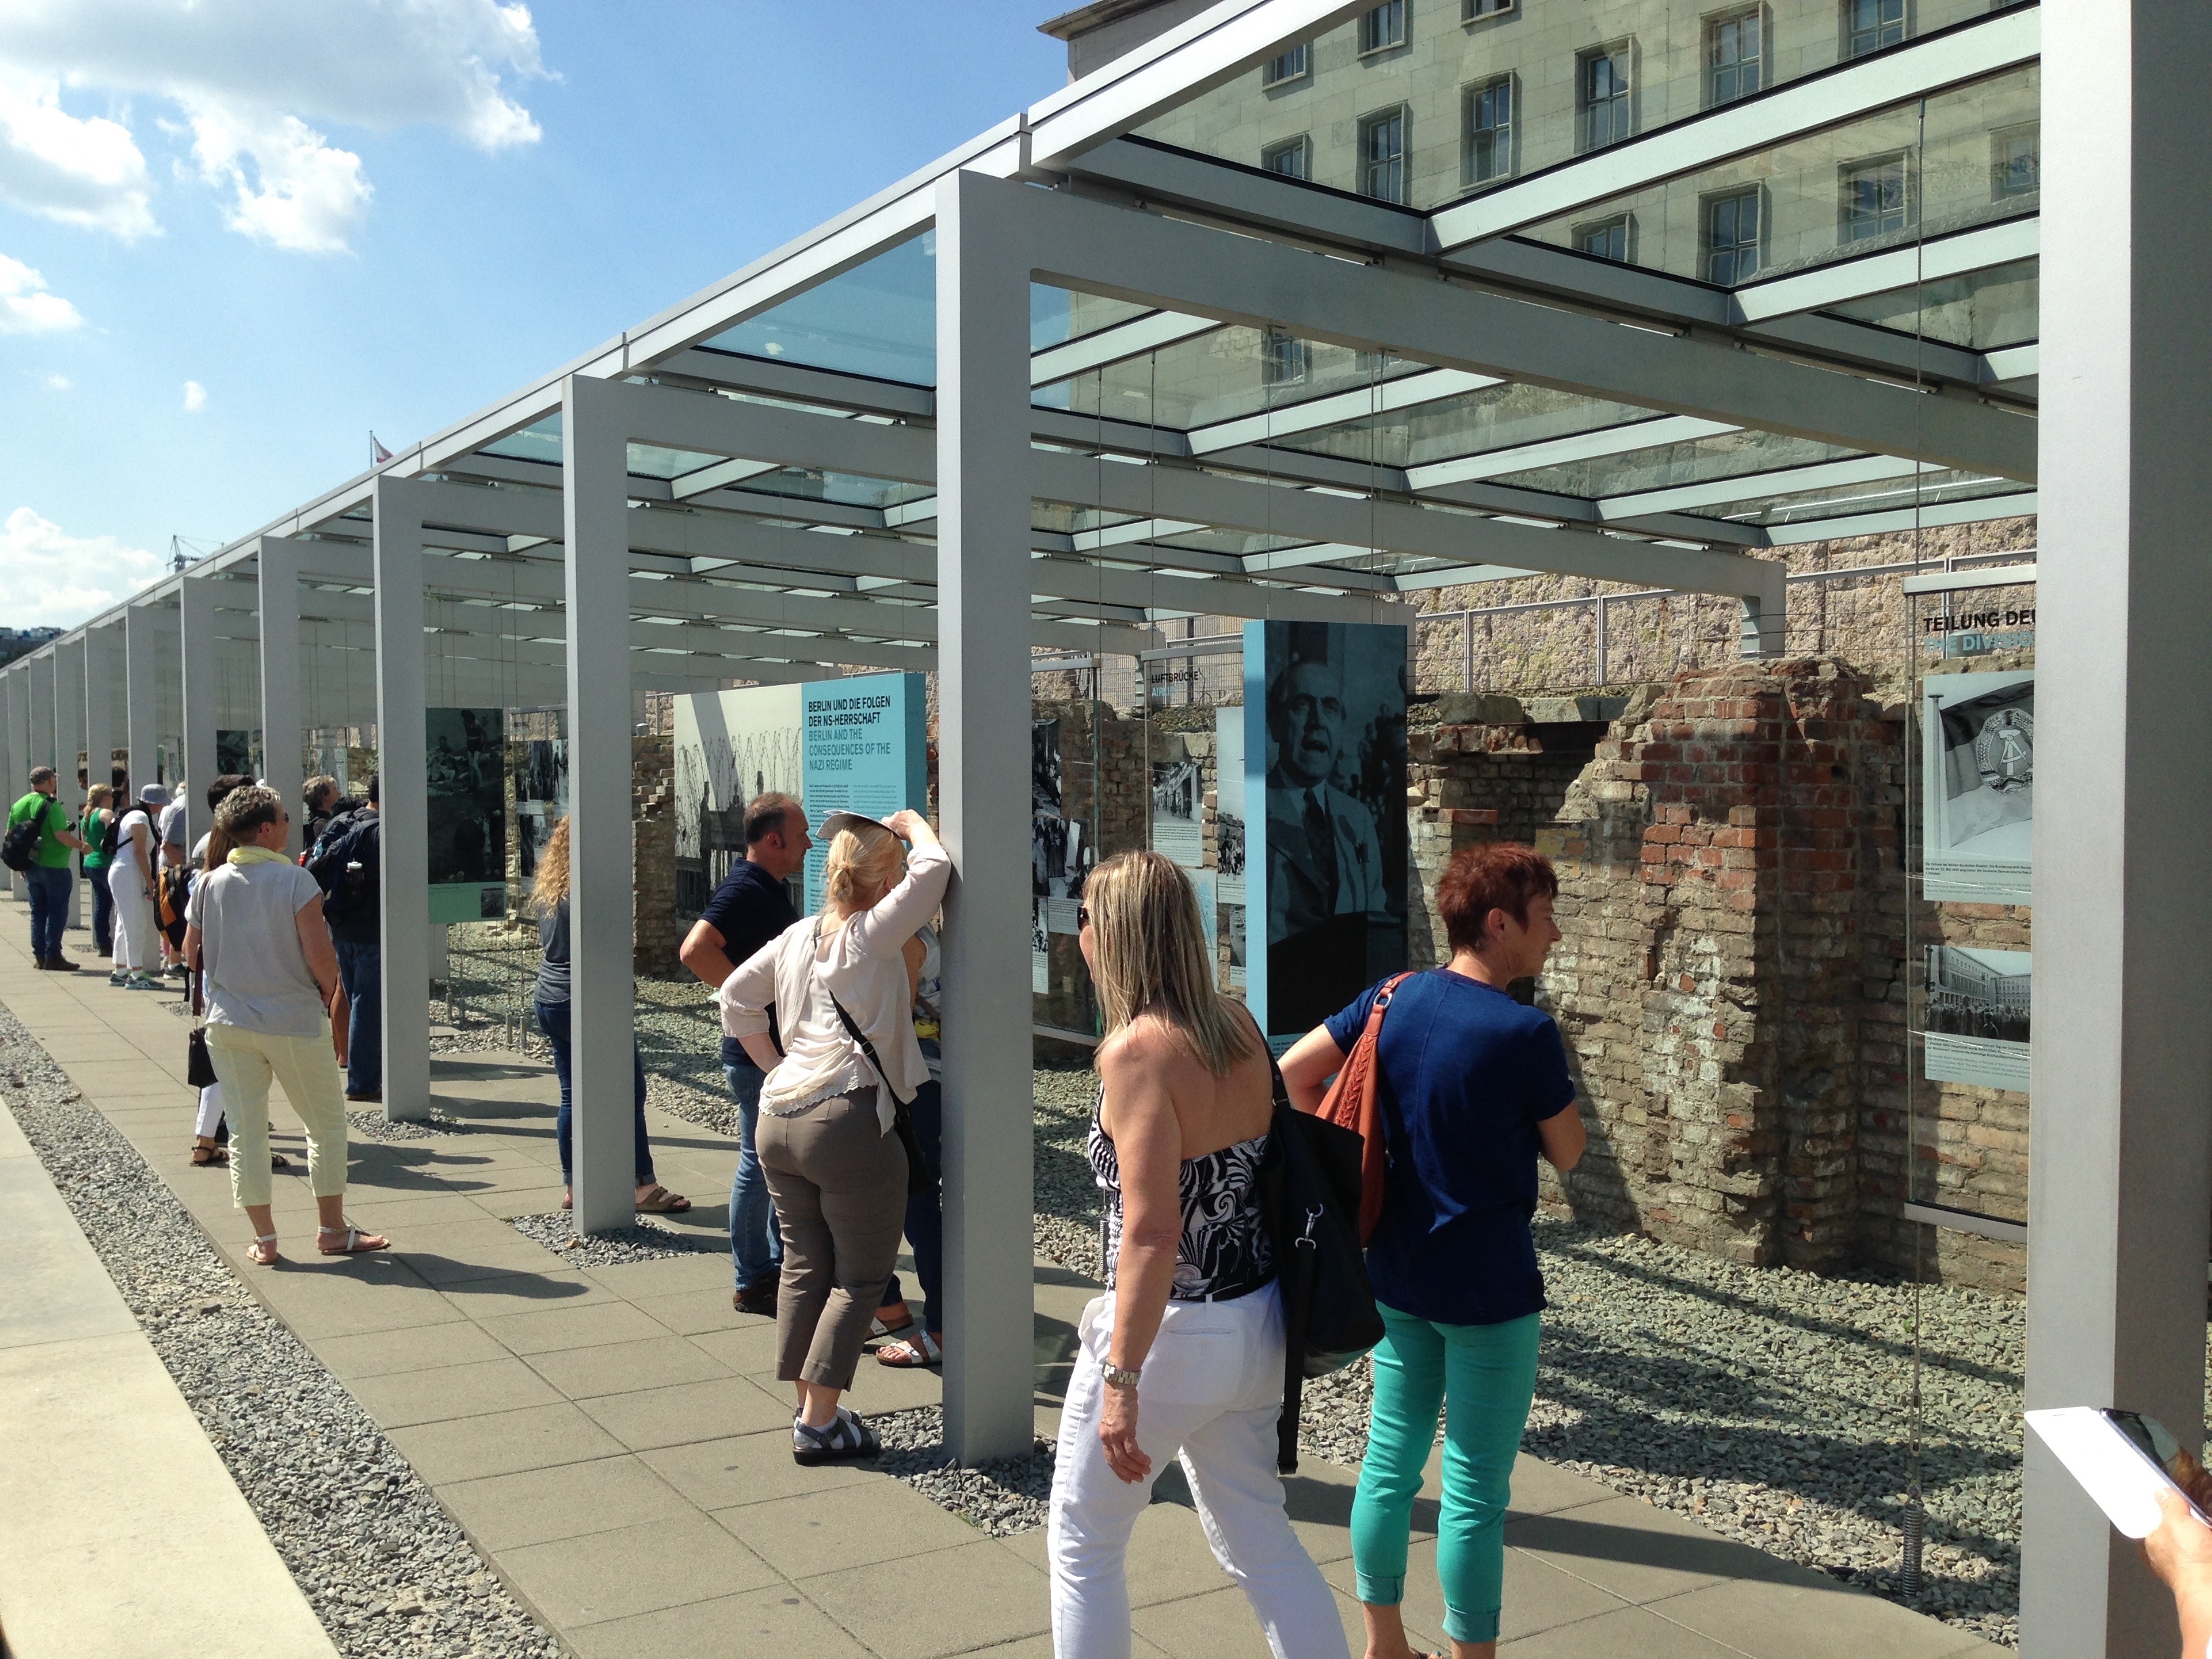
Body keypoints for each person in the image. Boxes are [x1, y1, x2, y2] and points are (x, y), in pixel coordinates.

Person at [1278, 842, 1588, 1659]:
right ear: (1499, 923)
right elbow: (1569, 1153)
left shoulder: (1393, 996)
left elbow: (1294, 1075)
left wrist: (1349, 1173)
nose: (1553, 935)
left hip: (1395, 1275)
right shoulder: (1525, 1034)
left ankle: (1384, 1643)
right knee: (1477, 1491)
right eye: (1545, 918)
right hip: (1490, 1290)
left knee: (1389, 1465)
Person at [1048, 850, 1346, 1659]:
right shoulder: (1238, 1023)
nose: (1077, 933)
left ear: (1115, 934)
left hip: (1172, 1333)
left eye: (1085, 918)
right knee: (1260, 1539)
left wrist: (1120, 1378)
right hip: (1257, 1322)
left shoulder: (1136, 1054)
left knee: (1084, 1543)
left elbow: (1151, 1232)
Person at [716, 808, 947, 1465]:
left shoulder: (798, 936)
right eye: (894, 871)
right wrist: (915, 828)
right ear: (881, 879)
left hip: (778, 1120)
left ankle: (808, 1406)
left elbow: (734, 997)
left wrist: (778, 1068)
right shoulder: (870, 935)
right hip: (847, 1120)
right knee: (861, 1277)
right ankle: (819, 1424)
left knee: (802, 1265)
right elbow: (935, 871)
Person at [182, 786, 386, 1266]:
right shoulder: (295, 882)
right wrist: (326, 988)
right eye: (284, 816)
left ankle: (266, 1240)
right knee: (325, 1125)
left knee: (248, 1130)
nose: (290, 821)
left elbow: (191, 954)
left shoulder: (209, 883)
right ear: (266, 829)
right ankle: (332, 1229)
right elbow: (321, 957)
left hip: (229, 1022)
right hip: (291, 1020)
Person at [680, 792, 811, 1314]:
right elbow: (695, 949)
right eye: (800, 836)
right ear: (774, 839)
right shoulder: (745, 887)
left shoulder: (766, 886)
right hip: (756, 1057)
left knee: (777, 1165)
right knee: (758, 1166)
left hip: (767, 1050)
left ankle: (776, 1269)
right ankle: (753, 1278)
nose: (806, 845)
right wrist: (745, 1000)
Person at [530, 816, 689, 1214]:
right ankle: (642, 1185)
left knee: (571, 1095)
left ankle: (573, 1185)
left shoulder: (552, 888)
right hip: (586, 1000)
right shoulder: (589, 889)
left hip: (550, 995)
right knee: (629, 1092)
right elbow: (603, 949)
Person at [874, 922, 943, 1369]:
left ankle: (940, 1326)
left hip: (914, 1085)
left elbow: (896, 1022)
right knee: (896, 1201)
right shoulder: (908, 929)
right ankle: (885, 1305)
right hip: (913, 1082)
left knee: (914, 1204)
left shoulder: (904, 937)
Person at [186, 776, 254, 1168]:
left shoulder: (206, 877)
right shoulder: (237, 880)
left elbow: (189, 950)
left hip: (218, 977)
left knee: (226, 1062)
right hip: (244, 982)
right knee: (235, 1066)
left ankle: (207, 1140)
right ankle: (210, 1140)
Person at [307, 775, 382, 1104]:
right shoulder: (381, 829)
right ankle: (362, 1082)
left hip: (340, 921)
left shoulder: (340, 821)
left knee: (349, 994)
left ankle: (347, 1059)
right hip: (372, 926)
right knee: (367, 1003)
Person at [9, 765, 90, 970]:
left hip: (31, 866)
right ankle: (53, 955)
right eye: (54, 780)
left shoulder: (19, 805)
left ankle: (40, 956)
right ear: (49, 781)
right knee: (56, 911)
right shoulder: (51, 805)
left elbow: (11, 835)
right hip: (54, 865)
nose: (56, 783)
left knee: (38, 911)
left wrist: (21, 864)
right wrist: (82, 846)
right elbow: (61, 835)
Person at [108, 784, 167, 989]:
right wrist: (149, 881)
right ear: (155, 803)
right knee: (136, 924)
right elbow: (140, 851)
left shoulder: (133, 815)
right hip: (129, 872)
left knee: (124, 924)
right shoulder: (140, 818)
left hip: (122, 870)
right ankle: (137, 973)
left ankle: (121, 970)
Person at [157, 778, 190, 974]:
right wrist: (183, 870)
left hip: (174, 867)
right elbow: (168, 845)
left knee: (176, 917)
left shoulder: (177, 806)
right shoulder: (182, 807)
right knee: (177, 917)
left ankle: (172, 960)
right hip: (175, 870)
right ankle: (173, 962)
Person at [79, 783, 115, 960]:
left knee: (102, 903)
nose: (113, 799)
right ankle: (114, 942)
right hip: (105, 863)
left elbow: (85, 841)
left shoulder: (87, 815)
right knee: (117, 903)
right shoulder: (105, 813)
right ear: (105, 797)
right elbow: (115, 836)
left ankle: (103, 943)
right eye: (111, 795)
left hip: (91, 863)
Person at [301, 775, 342, 854]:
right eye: (334, 789)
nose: (339, 793)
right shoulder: (321, 825)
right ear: (325, 796)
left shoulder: (318, 822)